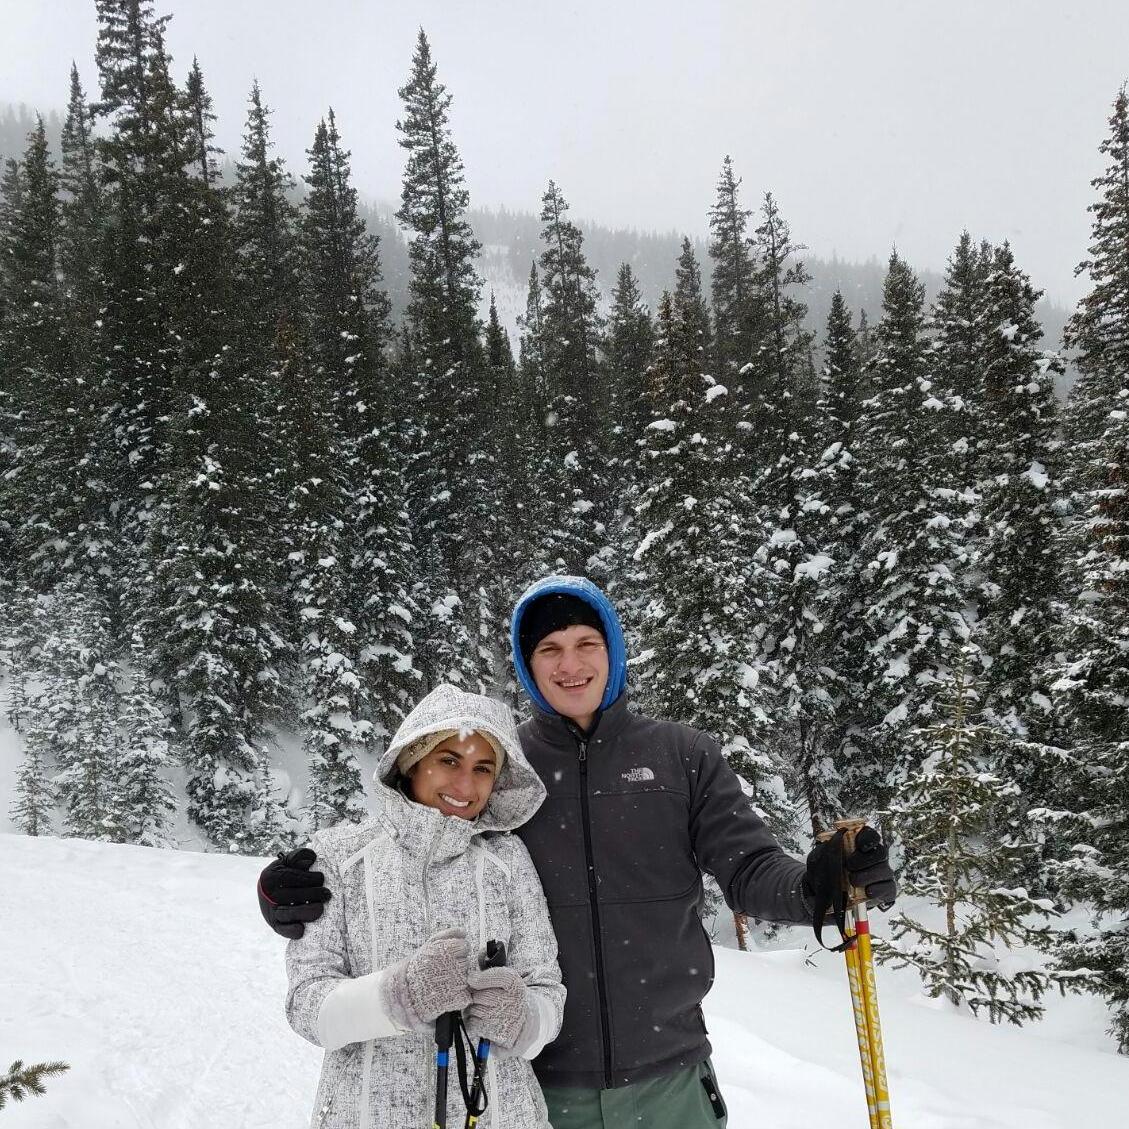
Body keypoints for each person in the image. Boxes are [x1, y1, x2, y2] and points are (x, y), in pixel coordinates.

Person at [262, 576, 896, 1129]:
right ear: (527, 664)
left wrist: (816, 887)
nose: (570, 665)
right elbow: (414, 836)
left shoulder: (681, 755)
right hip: (540, 1084)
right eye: (549, 649)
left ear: (613, 650)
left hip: (670, 1074)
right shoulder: (505, 767)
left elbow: (748, 867)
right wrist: (288, 890)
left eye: (586, 643)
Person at [282, 682, 565, 1129]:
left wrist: (525, 1018)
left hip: (502, 1116)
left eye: (483, 768)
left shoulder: (509, 859)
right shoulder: (338, 856)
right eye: (448, 760)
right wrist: (398, 997)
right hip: (366, 1114)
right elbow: (306, 1005)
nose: (465, 785)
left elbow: (547, 989)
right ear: (412, 761)